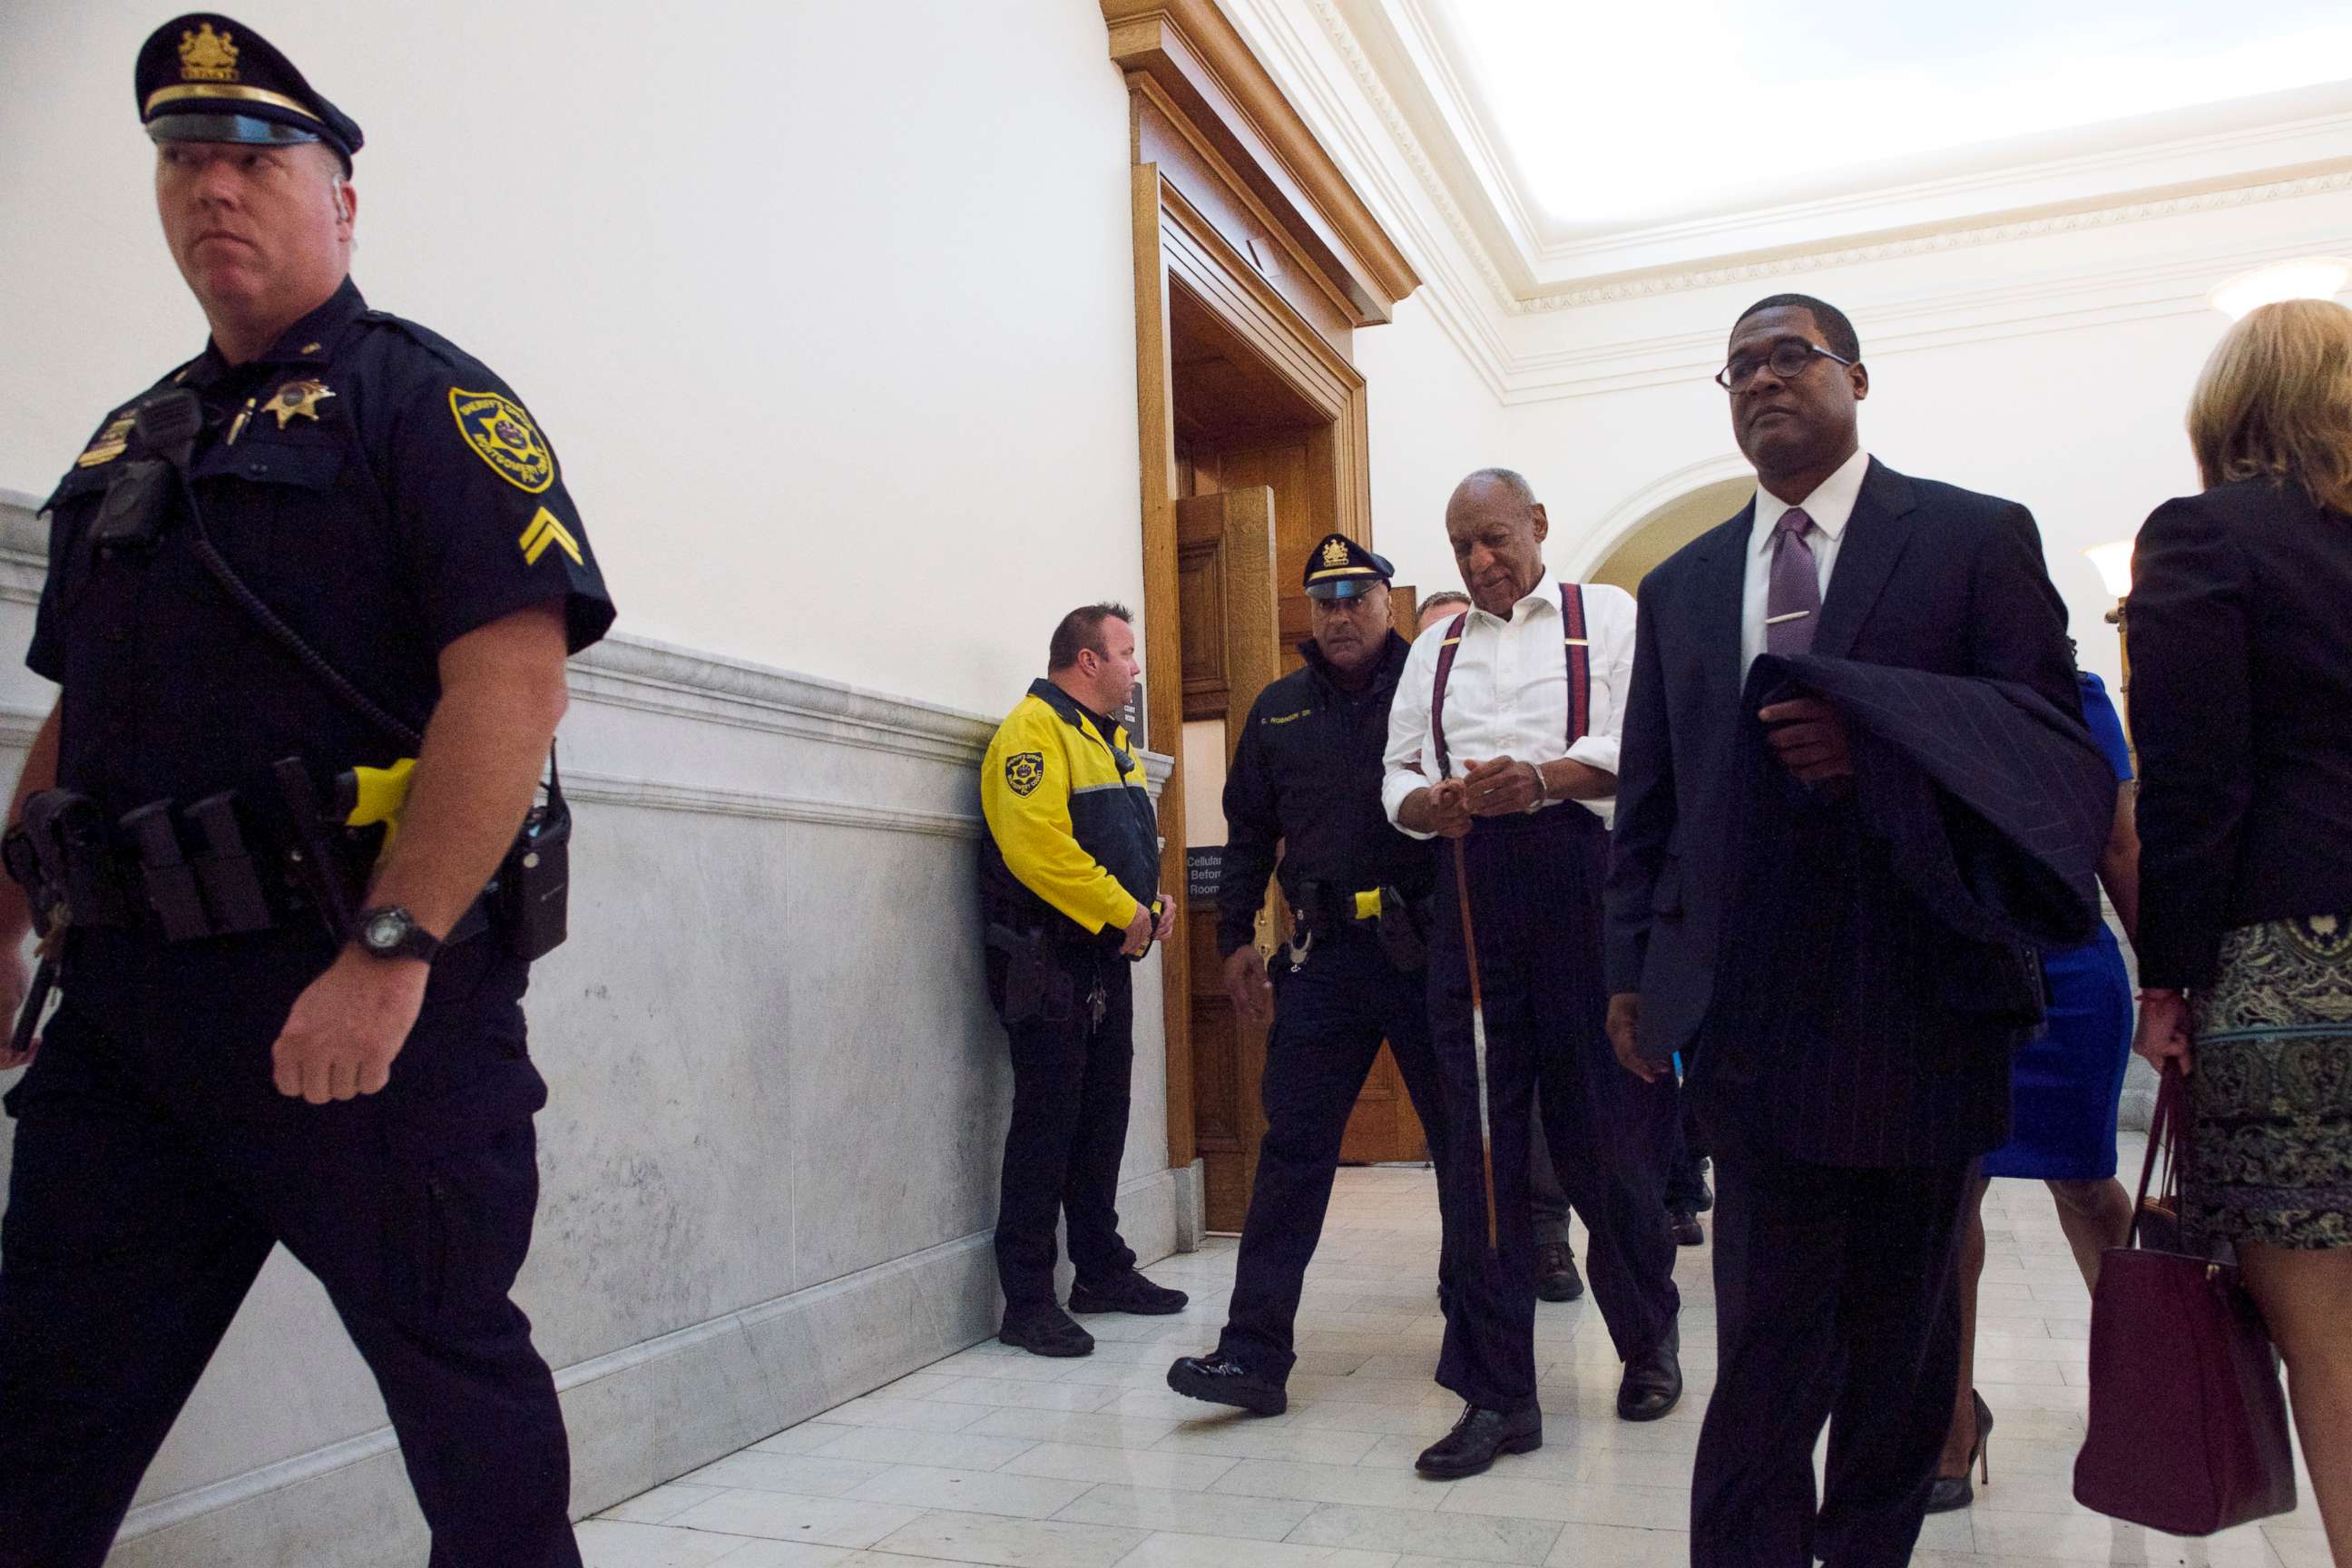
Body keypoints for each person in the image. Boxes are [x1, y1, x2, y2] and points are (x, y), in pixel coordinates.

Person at [0, 18, 616, 1566]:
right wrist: (5, 911)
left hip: (352, 1005)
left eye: (259, 159)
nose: (218, 189)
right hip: (130, 1015)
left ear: (341, 197)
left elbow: (510, 688)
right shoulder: (127, 438)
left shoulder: (426, 407)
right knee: (40, 1411)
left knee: (458, 1391)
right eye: (186, 161)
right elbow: (79, 712)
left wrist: (391, 955)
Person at [1604, 293, 2084, 1568]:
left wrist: (1876, 747)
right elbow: (1651, 798)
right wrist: (1629, 975)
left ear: (1855, 378)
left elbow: (2045, 751)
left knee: (1902, 1342)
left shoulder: (1974, 539)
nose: (1763, 379)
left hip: (1927, 990)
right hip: (1755, 1009)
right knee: (1763, 1350)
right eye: (1740, 367)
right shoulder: (1686, 581)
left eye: (1790, 356)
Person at [1385, 469, 1683, 1478]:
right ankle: (1497, 1393)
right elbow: (1396, 773)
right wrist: (1429, 807)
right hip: (1470, 896)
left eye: (1495, 538)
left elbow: (1646, 747)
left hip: (1582, 885)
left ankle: (1648, 1340)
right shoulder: (1434, 646)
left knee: (1605, 1140)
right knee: (1477, 1150)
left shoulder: (1608, 617)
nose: (1478, 562)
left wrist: (1544, 778)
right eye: (1462, 544)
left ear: (1539, 526)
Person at [2132, 297, 2352, 1563]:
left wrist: (2169, 982)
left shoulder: (2211, 538)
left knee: (2329, 1343)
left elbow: (2197, 787)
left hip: (2296, 970)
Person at [1166, 536, 1450, 1415]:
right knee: (1290, 1154)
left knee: (1467, 1153)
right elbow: (1248, 830)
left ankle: (1481, 1333)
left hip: (1428, 953)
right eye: (1323, 601)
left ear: (1387, 603)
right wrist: (1234, 938)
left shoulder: (1433, 691)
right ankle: (1253, 1355)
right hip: (1324, 959)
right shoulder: (1279, 709)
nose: (1339, 614)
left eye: (1355, 597)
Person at [1930, 663, 2141, 1513]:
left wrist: (2168, 977)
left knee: (2086, 1184)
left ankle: (2137, 1398)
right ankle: (1949, 1425)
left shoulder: (2078, 693)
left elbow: (2119, 843)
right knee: (1951, 1197)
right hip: (1956, 971)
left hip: (2071, 969)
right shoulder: (1924, 685)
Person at [978, 603, 1189, 1357]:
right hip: (1046, 965)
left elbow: (1124, 843)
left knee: (1101, 1120)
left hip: (1101, 961)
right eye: (1127, 653)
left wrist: (1152, 903)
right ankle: (1027, 1301)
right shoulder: (1032, 732)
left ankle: (1101, 1271)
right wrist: (1119, 909)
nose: (1138, 668)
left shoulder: (1110, 741)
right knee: (1046, 1127)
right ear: (1088, 660)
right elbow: (1038, 849)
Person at [1418, 590, 1583, 1305]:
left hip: (1532, 902)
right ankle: (1476, 1269)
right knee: (1469, 1118)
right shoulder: (1413, 684)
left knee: (1553, 1099)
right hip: (1428, 924)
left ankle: (1549, 1238)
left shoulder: (1588, 629)